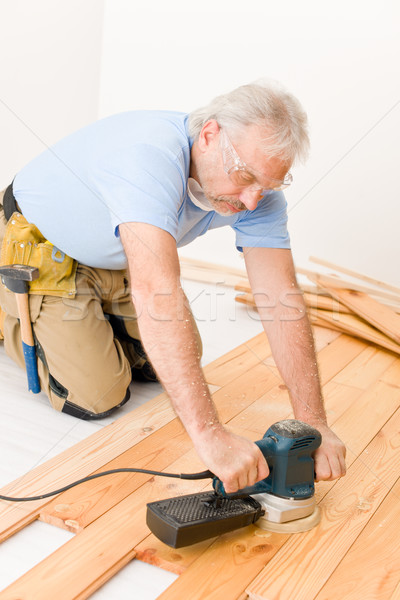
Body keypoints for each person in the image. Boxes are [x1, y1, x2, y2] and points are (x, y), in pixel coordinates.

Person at [0, 80, 346, 493]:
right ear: (209, 134)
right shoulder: (148, 158)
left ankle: (88, 316)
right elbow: (156, 291)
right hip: (38, 244)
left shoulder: (255, 196)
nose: (253, 200)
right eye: (245, 176)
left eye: (267, 186)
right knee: (98, 394)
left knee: (180, 357)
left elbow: (282, 302)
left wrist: (314, 422)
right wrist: (211, 436)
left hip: (110, 254)